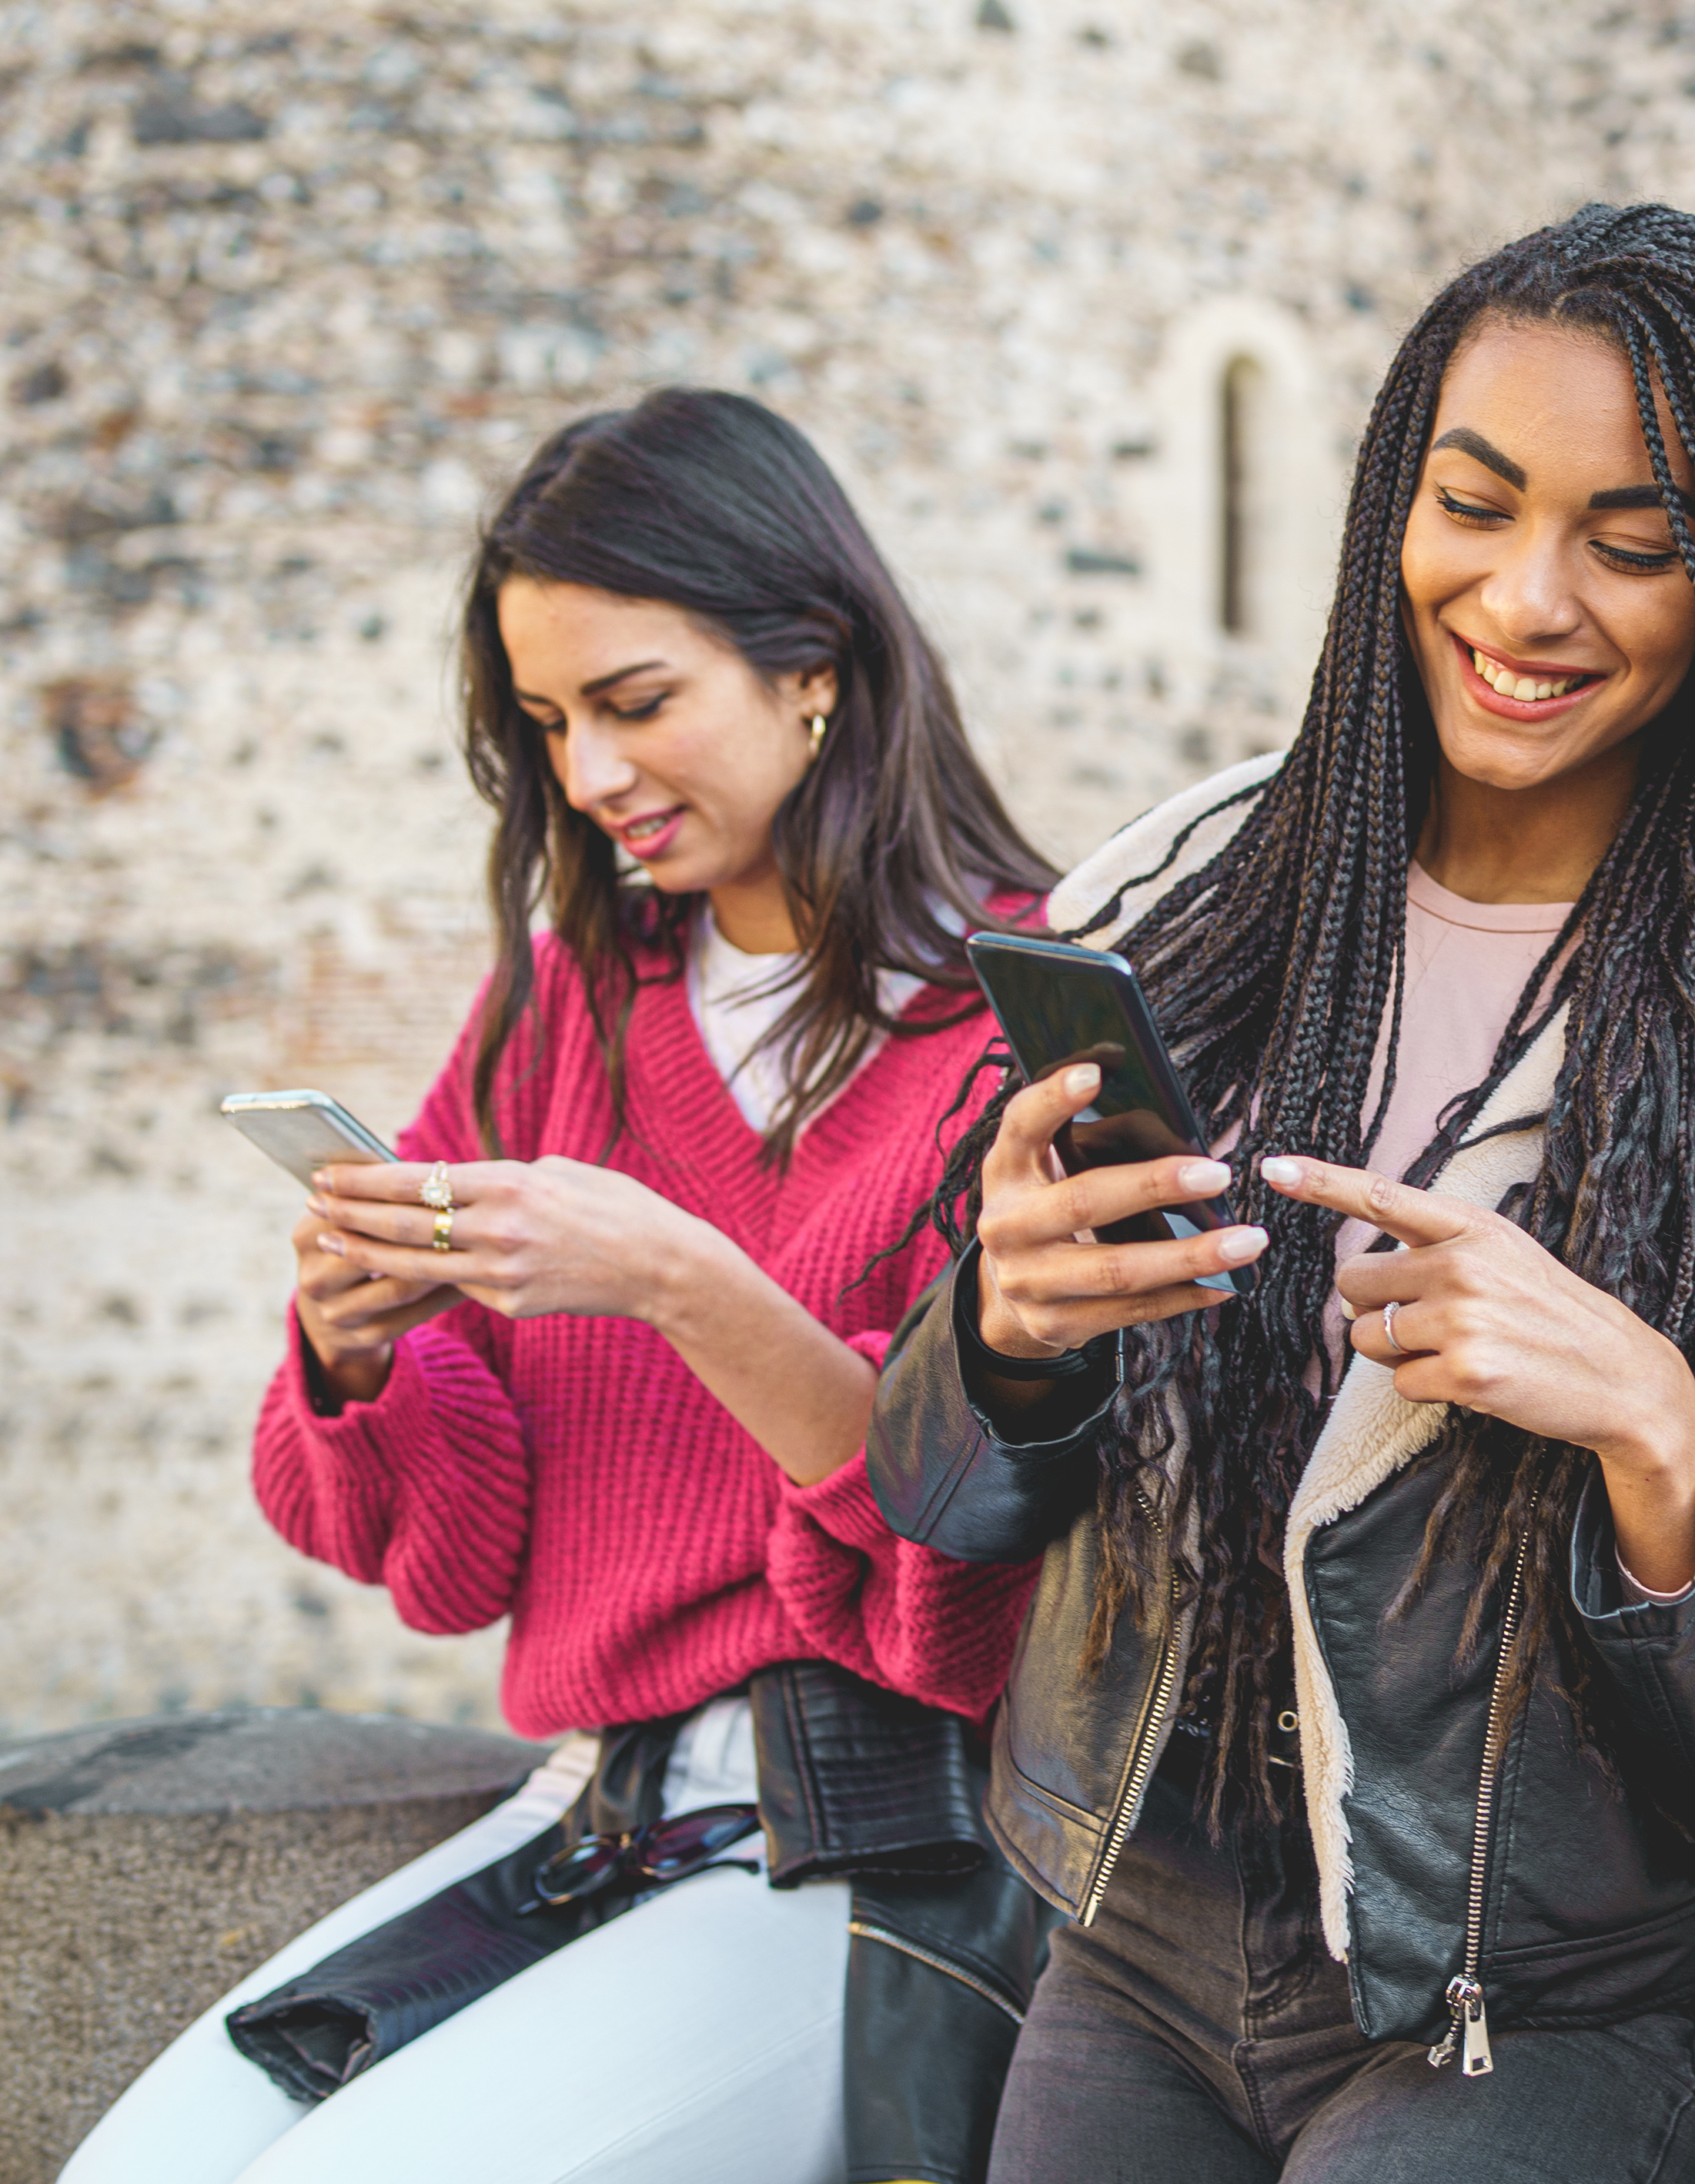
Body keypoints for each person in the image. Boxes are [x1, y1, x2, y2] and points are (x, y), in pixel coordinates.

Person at [865, 202, 1695, 2183]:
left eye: (1638, 546)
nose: (1531, 601)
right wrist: (1000, 1336)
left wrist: (1652, 1426)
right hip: (1135, 1957)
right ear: (1389, 514)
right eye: (1477, 506)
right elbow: (938, 1505)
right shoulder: (1179, 904)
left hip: (1539, 2010)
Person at [65, 388, 1064, 2184]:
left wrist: (679, 1281)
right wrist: (353, 1356)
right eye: (547, 723)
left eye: (635, 702)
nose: (590, 779)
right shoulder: (567, 1000)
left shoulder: (1028, 1022)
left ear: (814, 666)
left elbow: (979, 1579)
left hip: (881, 1834)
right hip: (597, 1803)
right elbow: (445, 1563)